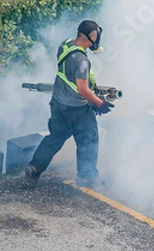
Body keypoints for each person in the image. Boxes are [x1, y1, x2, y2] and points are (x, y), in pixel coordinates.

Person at [25, 20, 114, 188]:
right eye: (97, 35)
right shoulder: (82, 61)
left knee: (55, 138)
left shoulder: (65, 45)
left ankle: (34, 168)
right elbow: (82, 89)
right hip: (77, 109)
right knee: (88, 140)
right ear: (93, 36)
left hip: (58, 104)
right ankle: (86, 177)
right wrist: (99, 103)